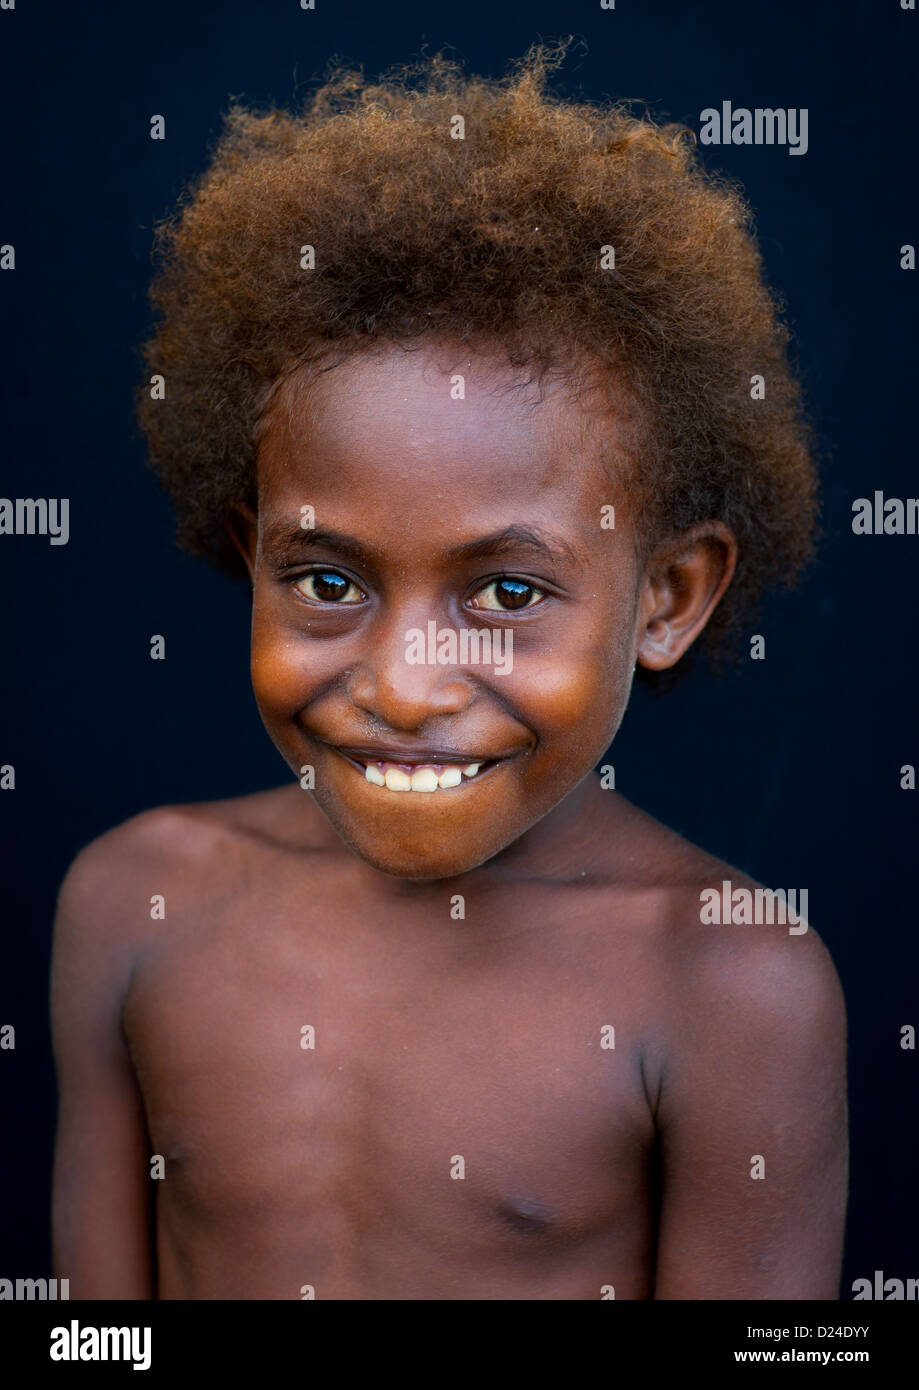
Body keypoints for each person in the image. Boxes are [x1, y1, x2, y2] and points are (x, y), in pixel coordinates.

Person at [50, 46, 847, 1299]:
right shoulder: (132, 902)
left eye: (508, 593)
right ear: (245, 546)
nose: (409, 687)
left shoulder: (733, 978)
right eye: (326, 580)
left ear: (668, 597)